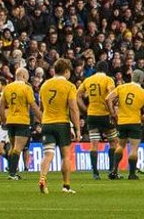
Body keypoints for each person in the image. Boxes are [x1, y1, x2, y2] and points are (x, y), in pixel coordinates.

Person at [37, 58, 82, 195]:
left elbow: (41, 107)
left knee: (48, 154)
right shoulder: (69, 86)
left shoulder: (44, 85)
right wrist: (77, 128)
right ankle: (66, 186)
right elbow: (73, 109)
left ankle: (42, 178)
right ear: (66, 71)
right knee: (66, 156)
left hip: (47, 123)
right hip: (62, 124)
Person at [111, 68, 144, 180]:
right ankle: (132, 173)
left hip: (122, 122)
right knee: (134, 148)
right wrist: (140, 119)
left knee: (120, 146)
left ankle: (114, 171)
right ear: (142, 79)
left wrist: (113, 113)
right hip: (135, 122)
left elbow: (108, 99)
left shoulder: (121, 88)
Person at [79, 61, 116, 178]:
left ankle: (95, 173)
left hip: (92, 114)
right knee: (113, 142)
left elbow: (77, 96)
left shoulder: (88, 80)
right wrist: (112, 112)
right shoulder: (108, 80)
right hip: (105, 115)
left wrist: (85, 109)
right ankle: (111, 171)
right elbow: (110, 96)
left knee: (94, 144)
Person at [0, 64, 36, 178]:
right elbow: (33, 106)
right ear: (24, 76)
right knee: (18, 148)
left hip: (10, 120)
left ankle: (11, 171)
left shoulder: (7, 87)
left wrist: (3, 120)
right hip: (22, 120)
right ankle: (12, 173)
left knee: (12, 146)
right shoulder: (26, 88)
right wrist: (41, 118)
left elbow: (0, 105)